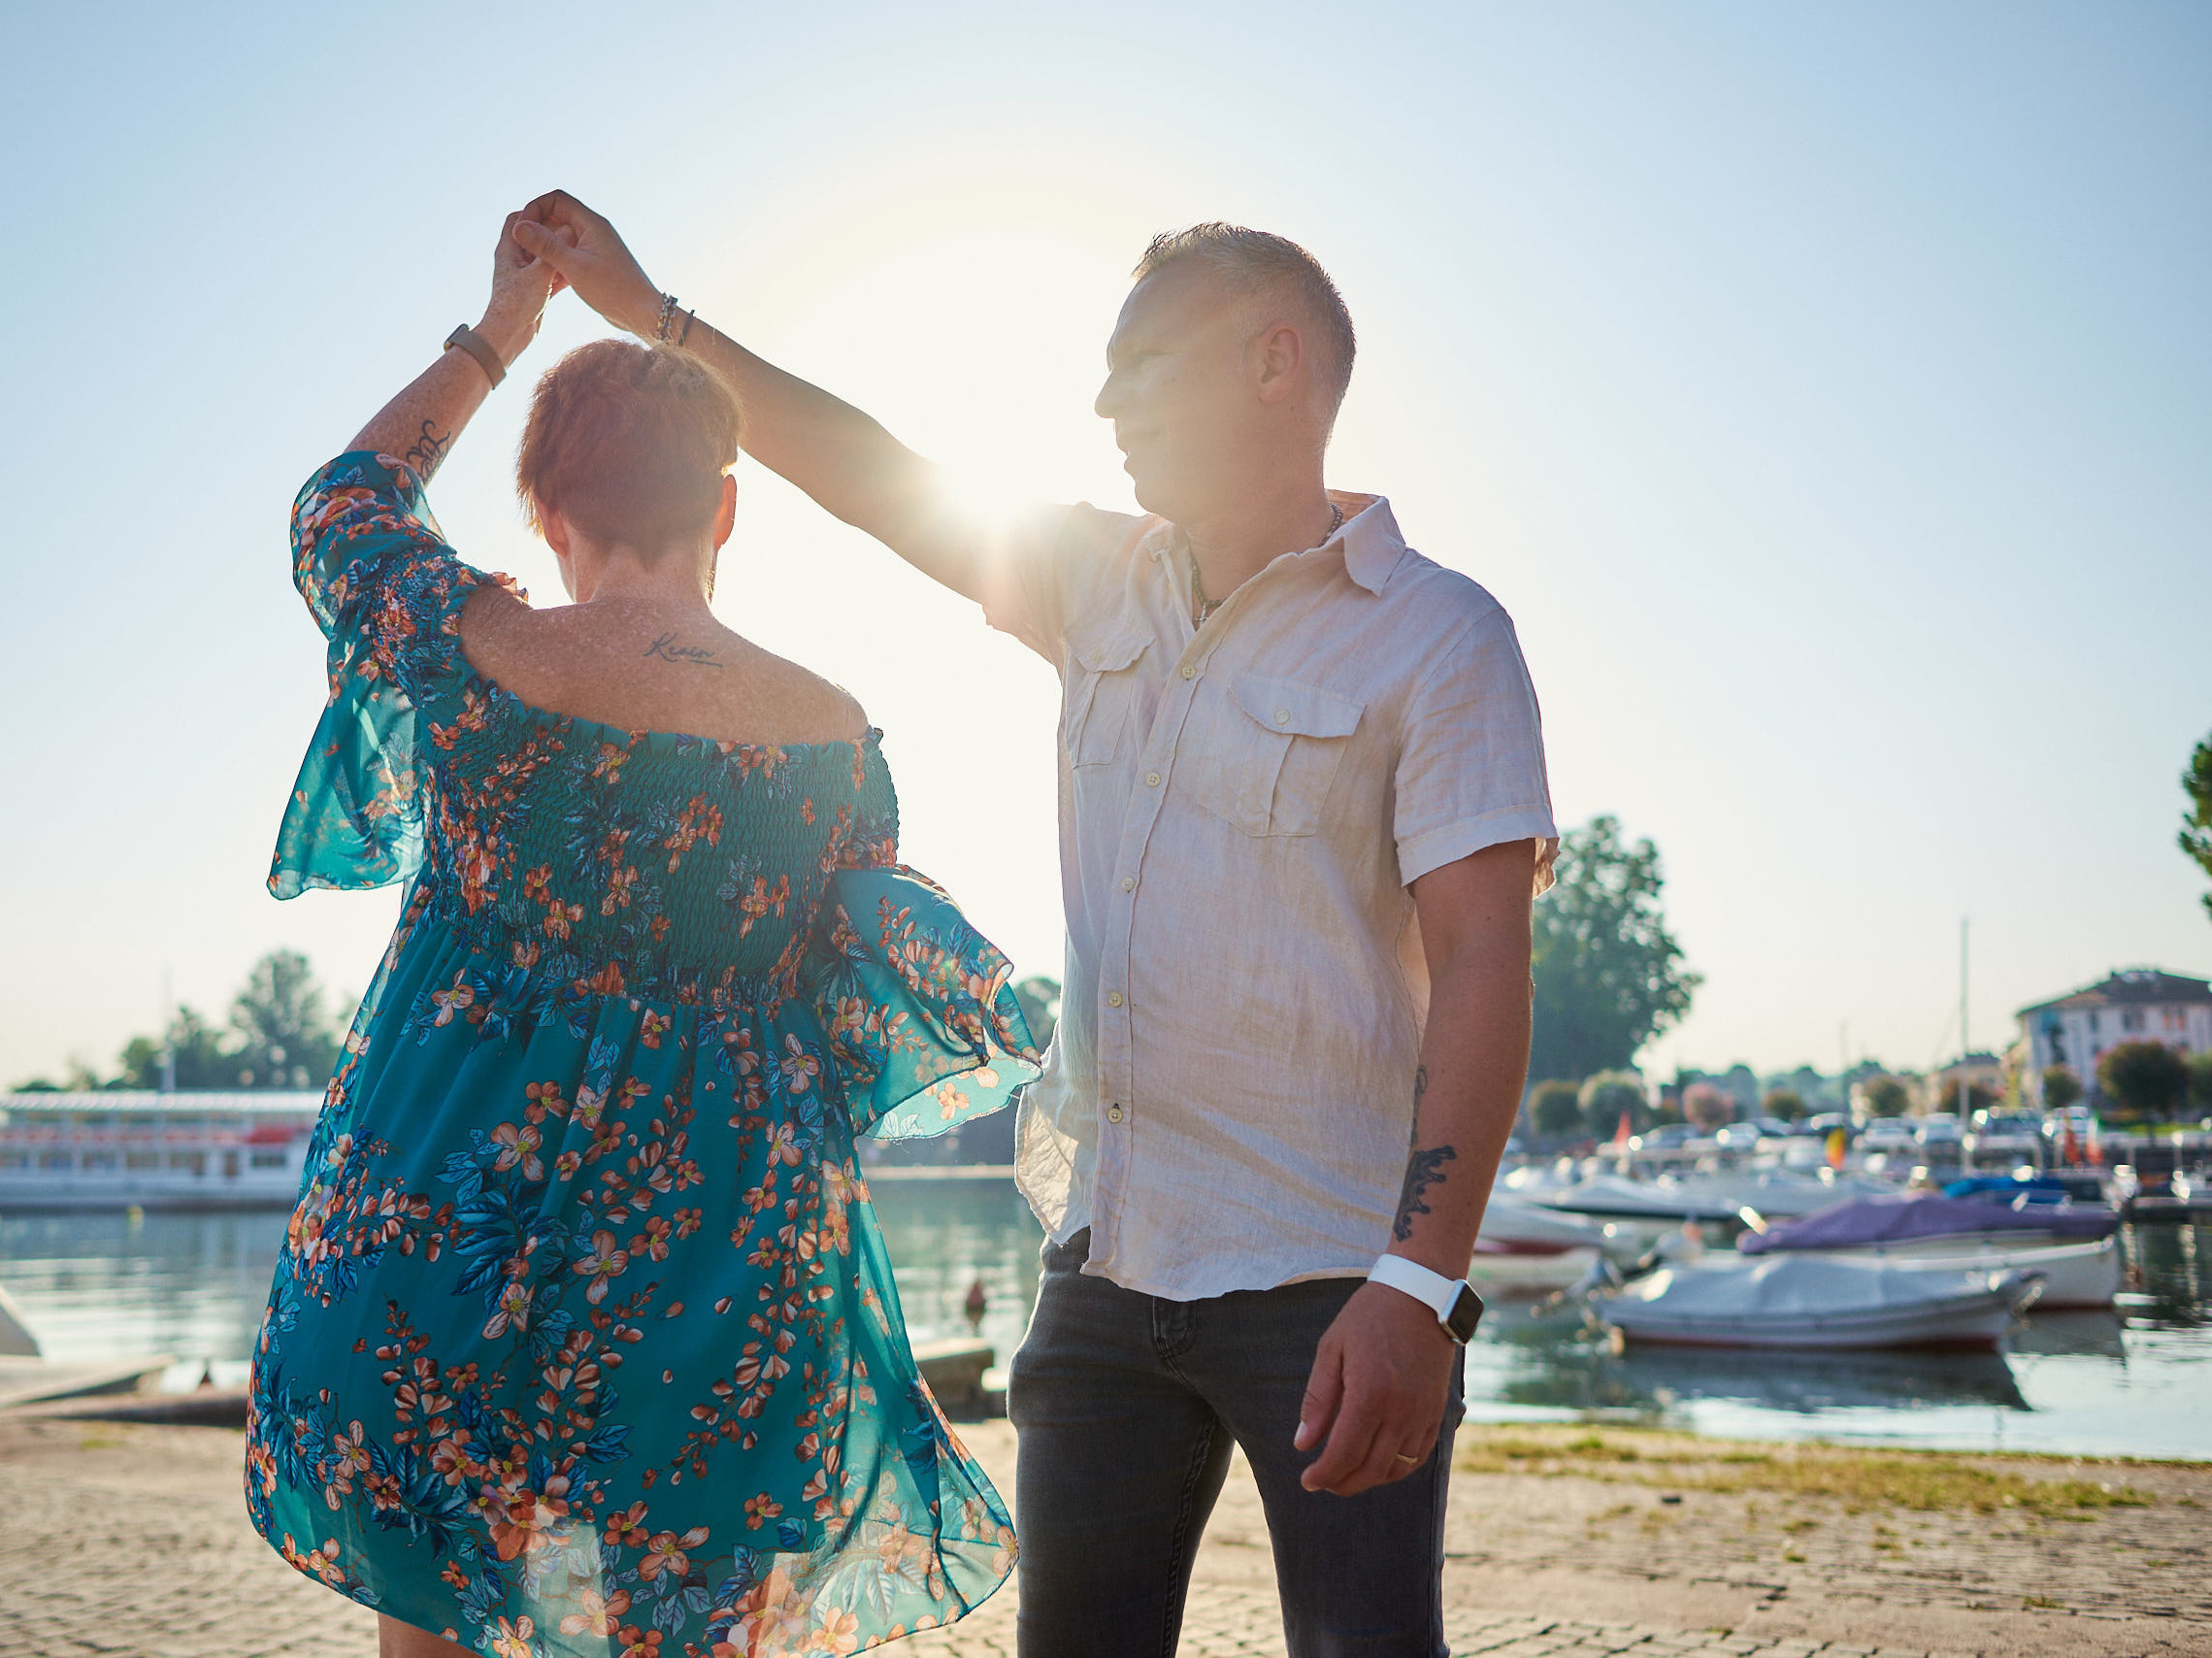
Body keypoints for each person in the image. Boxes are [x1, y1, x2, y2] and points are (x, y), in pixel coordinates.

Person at [518, 198, 1557, 1658]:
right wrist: (655, 318)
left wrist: (1419, 1287)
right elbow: (880, 478)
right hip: (1108, 1259)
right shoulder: (1094, 577)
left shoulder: (1439, 637)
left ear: (1273, 363)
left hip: (1332, 1273)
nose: (1103, 401)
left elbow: (1484, 964)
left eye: (1141, 364)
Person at [244, 198, 1040, 1658]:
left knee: (432, 1624)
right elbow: (849, 988)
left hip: (444, 1226)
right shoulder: (834, 738)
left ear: (545, 515)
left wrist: (500, 331)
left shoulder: (468, 651)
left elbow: (342, 501)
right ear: (725, 507)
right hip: (725, 1257)